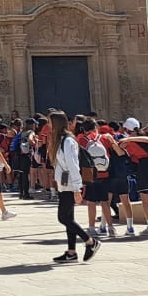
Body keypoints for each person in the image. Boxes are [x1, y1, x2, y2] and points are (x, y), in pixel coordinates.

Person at [48, 110, 98, 263]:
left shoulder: (68, 141)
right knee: (69, 218)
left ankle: (90, 241)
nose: (48, 125)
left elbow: (73, 165)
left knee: (63, 217)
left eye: (50, 122)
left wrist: (77, 188)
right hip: (64, 184)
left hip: (70, 184)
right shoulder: (61, 140)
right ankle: (71, 252)